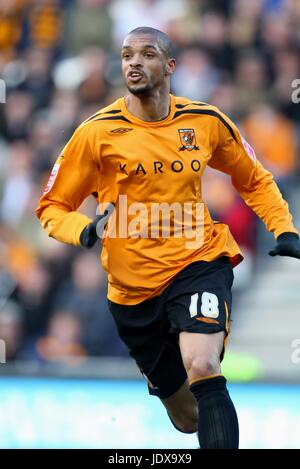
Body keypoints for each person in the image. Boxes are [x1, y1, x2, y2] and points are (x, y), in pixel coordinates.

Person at [35, 27, 300, 449]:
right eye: (126, 55)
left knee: (203, 363)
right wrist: (83, 230)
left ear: (170, 66)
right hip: (132, 292)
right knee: (188, 418)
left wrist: (284, 226)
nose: (134, 62)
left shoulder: (206, 121)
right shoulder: (96, 132)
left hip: (197, 262)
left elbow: (254, 179)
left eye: (146, 54)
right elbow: (51, 207)